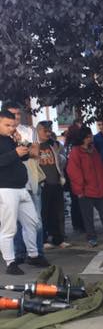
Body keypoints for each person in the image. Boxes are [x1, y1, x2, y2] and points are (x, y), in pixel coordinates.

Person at [0, 109, 49, 275]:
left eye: (13, 125)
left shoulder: (10, 138)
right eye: (7, 125)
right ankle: (10, 262)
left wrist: (21, 144)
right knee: (9, 228)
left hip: (21, 187)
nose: (11, 128)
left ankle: (33, 255)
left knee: (32, 222)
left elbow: (26, 157)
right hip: (5, 188)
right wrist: (15, 153)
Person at [66, 127, 103, 247]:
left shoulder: (93, 150)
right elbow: (73, 171)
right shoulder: (76, 151)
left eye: (90, 136)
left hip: (100, 187)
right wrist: (79, 188)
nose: (90, 138)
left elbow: (101, 167)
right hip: (86, 189)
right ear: (82, 138)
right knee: (88, 217)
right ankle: (91, 237)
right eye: (88, 137)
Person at [5, 101, 43, 260]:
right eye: (12, 114)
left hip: (30, 181)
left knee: (35, 220)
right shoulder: (3, 133)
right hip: (8, 184)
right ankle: (18, 254)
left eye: (18, 114)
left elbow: (34, 153)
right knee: (12, 223)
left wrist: (21, 142)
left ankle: (37, 253)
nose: (16, 117)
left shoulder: (28, 130)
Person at [36, 120, 70, 249]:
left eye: (49, 130)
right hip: (42, 184)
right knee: (43, 213)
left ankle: (58, 238)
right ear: (38, 131)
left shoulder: (55, 144)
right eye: (45, 131)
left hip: (56, 181)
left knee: (57, 212)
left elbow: (63, 159)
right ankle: (43, 239)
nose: (48, 133)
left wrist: (60, 159)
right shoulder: (34, 145)